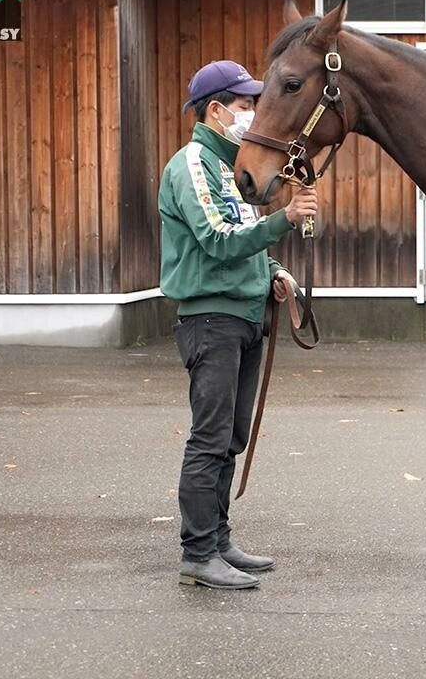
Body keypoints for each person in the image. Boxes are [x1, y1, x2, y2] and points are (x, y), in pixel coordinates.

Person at [158, 60, 317, 589]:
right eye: (247, 105)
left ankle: (219, 540)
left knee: (231, 436)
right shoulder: (193, 166)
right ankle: (197, 554)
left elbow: (247, 241)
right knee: (209, 438)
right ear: (217, 110)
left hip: (245, 317)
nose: (254, 114)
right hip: (210, 319)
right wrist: (285, 219)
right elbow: (219, 241)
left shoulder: (232, 168)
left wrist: (276, 271)